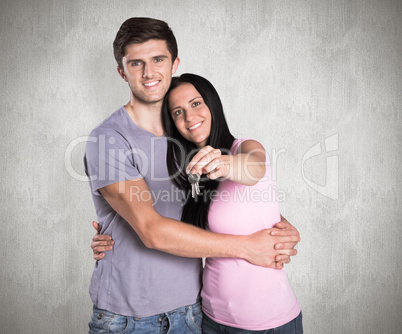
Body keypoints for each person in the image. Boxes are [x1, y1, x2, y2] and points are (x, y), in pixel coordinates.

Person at [85, 17, 300, 334]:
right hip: (131, 319)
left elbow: (232, 193)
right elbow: (152, 231)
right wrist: (247, 247)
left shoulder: (191, 140)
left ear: (174, 63)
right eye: (136, 63)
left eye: (158, 59)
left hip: (194, 311)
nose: (148, 73)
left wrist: (279, 225)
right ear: (122, 71)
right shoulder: (109, 139)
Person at [161, 73, 303, 333]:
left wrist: (222, 162)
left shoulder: (245, 148)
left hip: (265, 323)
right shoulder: (188, 173)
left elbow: (255, 168)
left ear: (212, 105)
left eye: (196, 104)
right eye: (178, 112)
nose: (189, 117)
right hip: (210, 318)